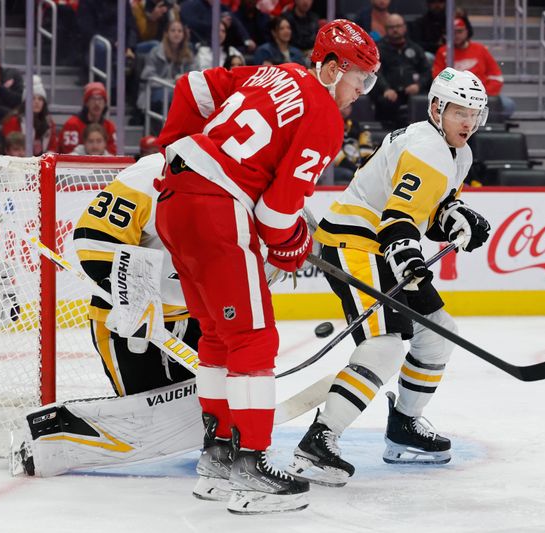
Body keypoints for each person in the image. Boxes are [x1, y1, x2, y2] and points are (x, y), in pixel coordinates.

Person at [154, 19, 380, 515]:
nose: (361, 91)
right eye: (358, 78)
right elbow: (275, 215)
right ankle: (252, 468)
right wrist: (292, 244)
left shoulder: (270, 74)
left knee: (216, 334)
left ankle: (217, 459)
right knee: (254, 338)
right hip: (217, 209)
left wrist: (175, 145)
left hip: (173, 199)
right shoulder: (324, 112)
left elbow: (193, 86)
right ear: (330, 68)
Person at [287, 67, 491, 487]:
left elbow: (422, 210)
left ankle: (404, 429)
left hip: (380, 245)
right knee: (383, 346)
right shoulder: (426, 148)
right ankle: (318, 442)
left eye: (474, 112)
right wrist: (408, 259)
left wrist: (455, 219)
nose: (467, 122)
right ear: (437, 108)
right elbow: (398, 222)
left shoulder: (454, 150)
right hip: (355, 245)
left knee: (437, 333)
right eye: (458, 111)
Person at [10, 153, 205, 477]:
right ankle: (53, 438)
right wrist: (134, 300)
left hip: (197, 318)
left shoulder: (248, 180)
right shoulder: (152, 174)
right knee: (144, 422)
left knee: (202, 412)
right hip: (129, 325)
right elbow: (93, 237)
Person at [431, 15, 507, 106]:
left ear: (466, 32)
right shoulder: (443, 51)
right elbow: (438, 78)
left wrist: (483, 93)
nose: (456, 35)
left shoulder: (480, 49)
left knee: (507, 105)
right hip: (454, 97)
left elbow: (496, 77)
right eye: (453, 32)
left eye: (459, 31)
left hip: (481, 94)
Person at [372, 14, 431, 129]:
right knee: (385, 101)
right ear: (386, 29)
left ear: (404, 27)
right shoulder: (378, 49)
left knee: (422, 101)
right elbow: (376, 71)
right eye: (391, 27)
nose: (395, 29)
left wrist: (418, 86)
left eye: (398, 26)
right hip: (390, 93)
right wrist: (386, 89)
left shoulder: (415, 48)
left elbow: (426, 72)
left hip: (412, 92)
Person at [138, 20, 198, 114]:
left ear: (184, 34)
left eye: (179, 31)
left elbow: (195, 75)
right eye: (173, 30)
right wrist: (173, 82)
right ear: (166, 33)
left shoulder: (188, 54)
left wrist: (183, 79)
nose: (176, 34)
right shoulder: (156, 52)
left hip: (179, 91)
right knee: (172, 94)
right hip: (156, 91)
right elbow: (148, 77)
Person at [1, 76, 58, 156]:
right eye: (33, 98)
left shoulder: (49, 123)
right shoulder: (13, 121)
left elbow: (53, 148)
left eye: (40, 99)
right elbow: (10, 148)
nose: (37, 102)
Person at [58, 82, 118, 155]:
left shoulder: (109, 126)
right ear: (86, 102)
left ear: (105, 103)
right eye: (93, 99)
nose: (97, 103)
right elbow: (69, 156)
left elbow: (112, 156)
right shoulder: (72, 124)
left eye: (100, 99)